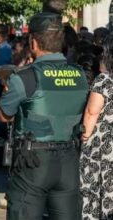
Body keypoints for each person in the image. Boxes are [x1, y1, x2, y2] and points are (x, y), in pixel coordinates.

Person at [0, 12, 89, 219]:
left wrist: (7, 87)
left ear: (33, 42)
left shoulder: (26, 77)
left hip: (33, 161)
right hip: (69, 159)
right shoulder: (80, 74)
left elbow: (4, 116)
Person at [80, 34, 113, 220]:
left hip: (101, 148)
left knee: (93, 192)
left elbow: (92, 112)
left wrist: (84, 136)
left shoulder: (104, 81)